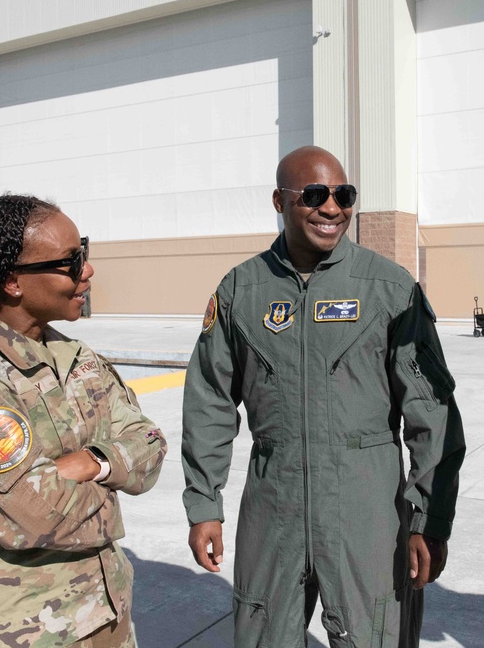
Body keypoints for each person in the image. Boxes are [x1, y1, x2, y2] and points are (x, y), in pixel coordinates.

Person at [181, 146, 466, 647]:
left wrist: (429, 519)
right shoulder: (241, 291)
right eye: (313, 195)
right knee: (261, 634)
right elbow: (210, 399)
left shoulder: (389, 289)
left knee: (374, 635)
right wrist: (204, 503)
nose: (332, 208)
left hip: (367, 511)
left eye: (343, 195)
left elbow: (432, 413)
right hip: (273, 506)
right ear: (279, 200)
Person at [0, 195, 167, 647]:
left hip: (105, 615)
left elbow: (149, 443)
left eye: (84, 253)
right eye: (71, 261)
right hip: (17, 632)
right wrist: (114, 484)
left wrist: (91, 462)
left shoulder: (77, 357)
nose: (87, 271)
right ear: (12, 282)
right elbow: (36, 514)